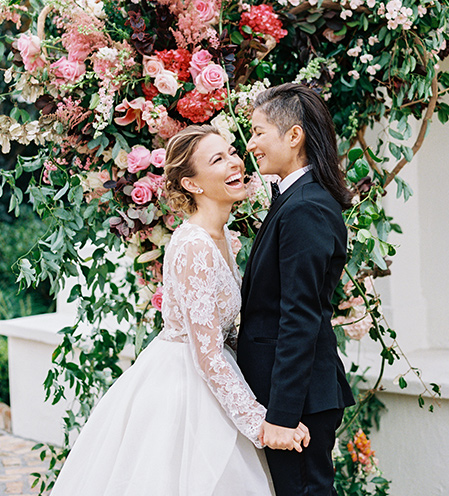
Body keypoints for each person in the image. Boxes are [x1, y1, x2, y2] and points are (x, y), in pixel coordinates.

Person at [50, 124, 309, 496]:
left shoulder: (223, 237)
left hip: (214, 371)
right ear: (192, 184)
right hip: (183, 385)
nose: (235, 162)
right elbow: (206, 354)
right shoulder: (194, 246)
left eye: (232, 152)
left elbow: (225, 333)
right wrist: (260, 423)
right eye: (218, 159)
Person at [237, 83, 356, 496]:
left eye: (258, 132)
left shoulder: (306, 207)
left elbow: (299, 315)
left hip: (299, 401)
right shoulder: (291, 200)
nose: (251, 144)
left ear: (293, 135)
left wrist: (283, 415)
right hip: (291, 394)